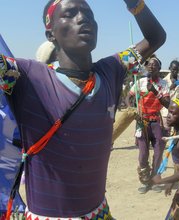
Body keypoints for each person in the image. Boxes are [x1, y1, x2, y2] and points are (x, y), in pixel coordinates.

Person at [1, 0, 166, 219]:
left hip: (100, 213)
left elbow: (156, 38)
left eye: (88, 13)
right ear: (51, 34)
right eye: (69, 14)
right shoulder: (26, 76)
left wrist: (134, 3)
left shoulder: (111, 71)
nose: (83, 18)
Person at [129, 56, 170, 194]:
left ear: (159, 68)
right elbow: (128, 96)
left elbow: (167, 104)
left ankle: (155, 179)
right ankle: (145, 181)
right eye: (149, 65)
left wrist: (154, 91)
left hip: (156, 122)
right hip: (142, 122)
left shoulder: (163, 84)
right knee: (143, 153)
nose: (151, 67)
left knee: (158, 152)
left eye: (154, 65)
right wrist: (132, 109)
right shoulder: (139, 82)